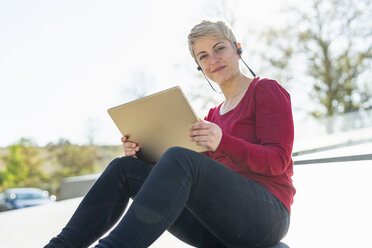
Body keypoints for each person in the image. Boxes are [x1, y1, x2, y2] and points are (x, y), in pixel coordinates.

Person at [45, 19, 295, 248]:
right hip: (217, 229)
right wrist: (142, 154)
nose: (213, 60)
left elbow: (278, 161)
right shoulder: (212, 116)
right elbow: (187, 176)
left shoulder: (265, 90)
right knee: (124, 169)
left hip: (267, 218)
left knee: (180, 158)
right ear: (199, 66)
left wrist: (223, 141)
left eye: (220, 48)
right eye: (203, 56)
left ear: (237, 48)